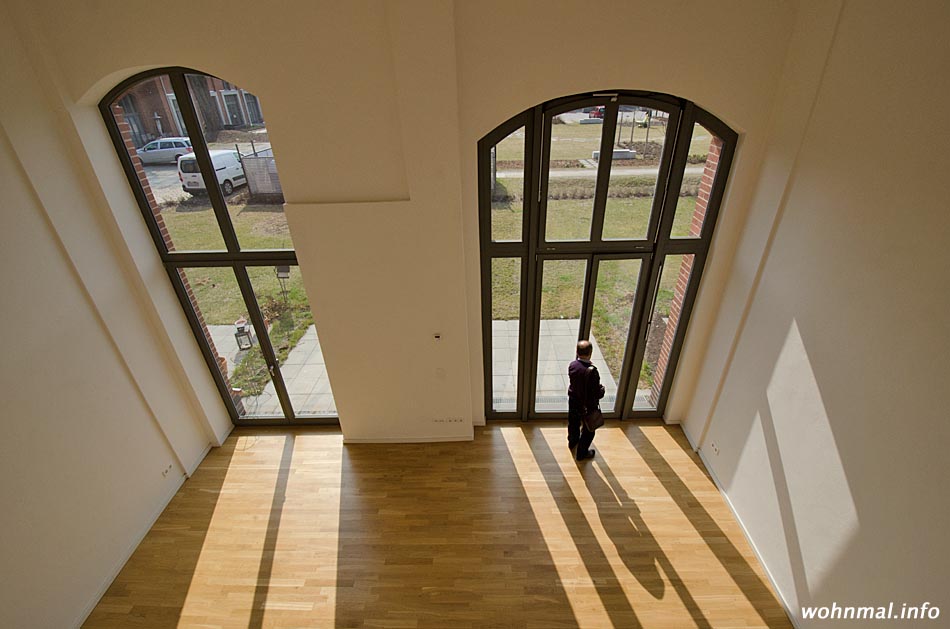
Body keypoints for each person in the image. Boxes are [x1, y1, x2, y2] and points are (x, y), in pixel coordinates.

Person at [567, 339, 605, 461]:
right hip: (587, 405)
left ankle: (572, 442)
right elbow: (595, 392)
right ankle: (582, 453)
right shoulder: (592, 371)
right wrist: (602, 390)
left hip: (573, 400)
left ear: (577, 352)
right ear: (590, 353)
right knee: (589, 430)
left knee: (573, 422)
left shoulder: (572, 365)